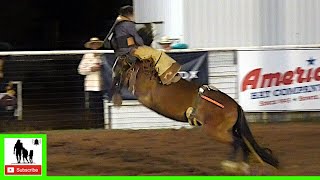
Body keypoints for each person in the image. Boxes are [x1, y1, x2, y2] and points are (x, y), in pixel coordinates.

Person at [105, 5, 181, 85]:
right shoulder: (128, 24)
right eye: (133, 14)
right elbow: (137, 39)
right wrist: (141, 43)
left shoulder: (117, 25)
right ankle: (167, 75)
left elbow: (112, 40)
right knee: (157, 54)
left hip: (120, 52)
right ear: (129, 14)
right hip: (131, 51)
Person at [78, 37, 105, 128]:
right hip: (91, 86)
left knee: (101, 107)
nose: (95, 45)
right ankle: (92, 126)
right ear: (91, 45)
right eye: (93, 44)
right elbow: (80, 70)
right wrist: (91, 69)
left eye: (96, 43)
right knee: (92, 107)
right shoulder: (86, 56)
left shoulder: (104, 55)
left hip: (102, 86)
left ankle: (101, 126)